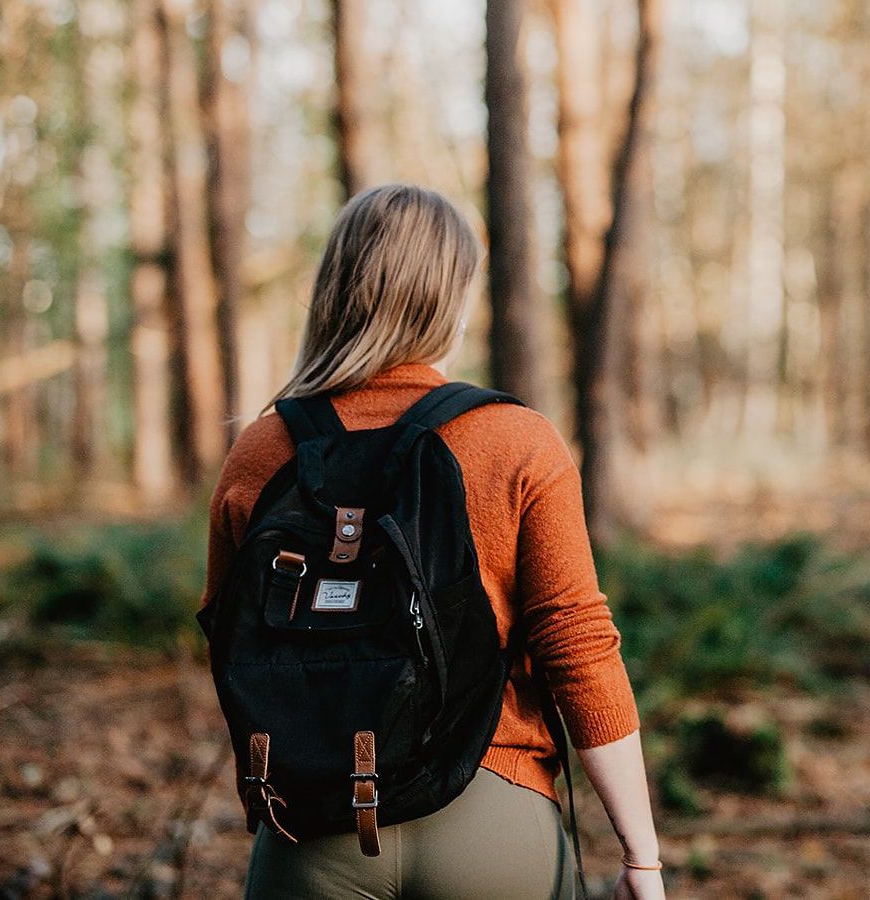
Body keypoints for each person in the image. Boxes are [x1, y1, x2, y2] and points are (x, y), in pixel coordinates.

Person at [201, 184, 665, 900]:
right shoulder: (517, 440)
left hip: (313, 831)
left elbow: (233, 646)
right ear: (453, 298)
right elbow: (577, 645)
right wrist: (641, 856)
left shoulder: (263, 450)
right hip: (493, 812)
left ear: (334, 290)